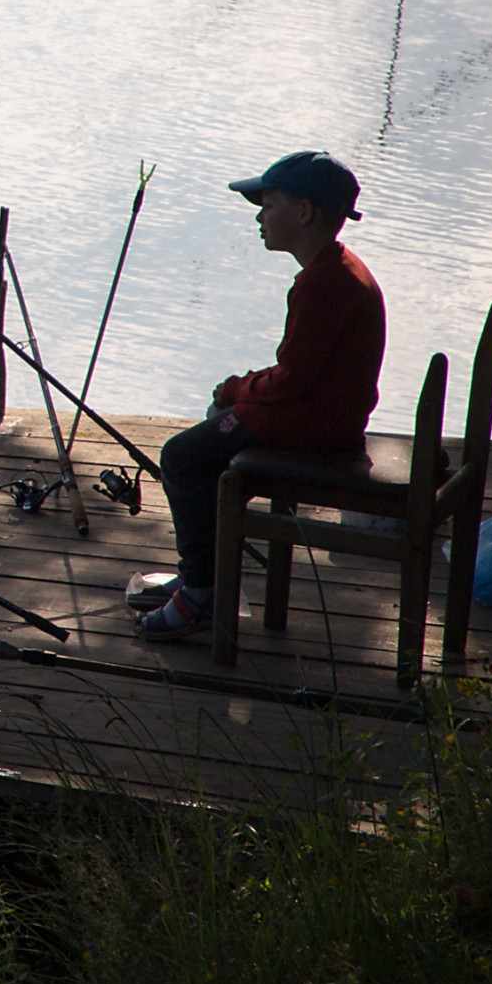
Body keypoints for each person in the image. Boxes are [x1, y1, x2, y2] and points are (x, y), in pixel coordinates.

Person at [135, 151, 386, 644]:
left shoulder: (323, 284)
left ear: (305, 212)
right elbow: (301, 373)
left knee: (183, 456)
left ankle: (203, 593)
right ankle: (203, 577)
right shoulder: (337, 269)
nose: (258, 216)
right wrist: (239, 397)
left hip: (316, 426)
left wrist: (235, 391)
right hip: (325, 414)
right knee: (212, 439)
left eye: (268, 204)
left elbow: (291, 383)